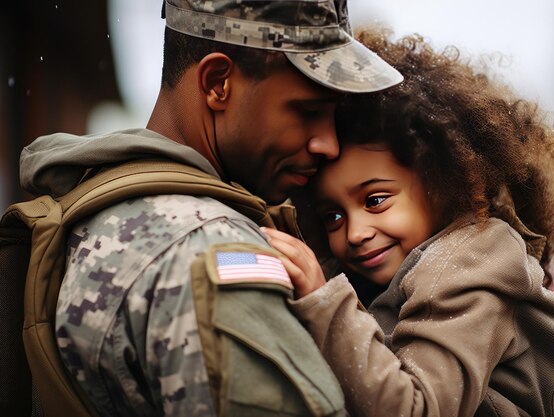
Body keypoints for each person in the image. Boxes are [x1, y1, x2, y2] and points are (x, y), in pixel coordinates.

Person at [17, 2, 403, 416]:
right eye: (308, 112)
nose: (328, 144)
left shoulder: (98, 199)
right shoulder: (211, 251)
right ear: (218, 82)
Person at [263, 30, 554, 417]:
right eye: (332, 216)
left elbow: (418, 409)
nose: (355, 232)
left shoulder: (469, 260)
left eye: (376, 200)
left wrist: (323, 302)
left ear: (439, 183)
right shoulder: (382, 271)